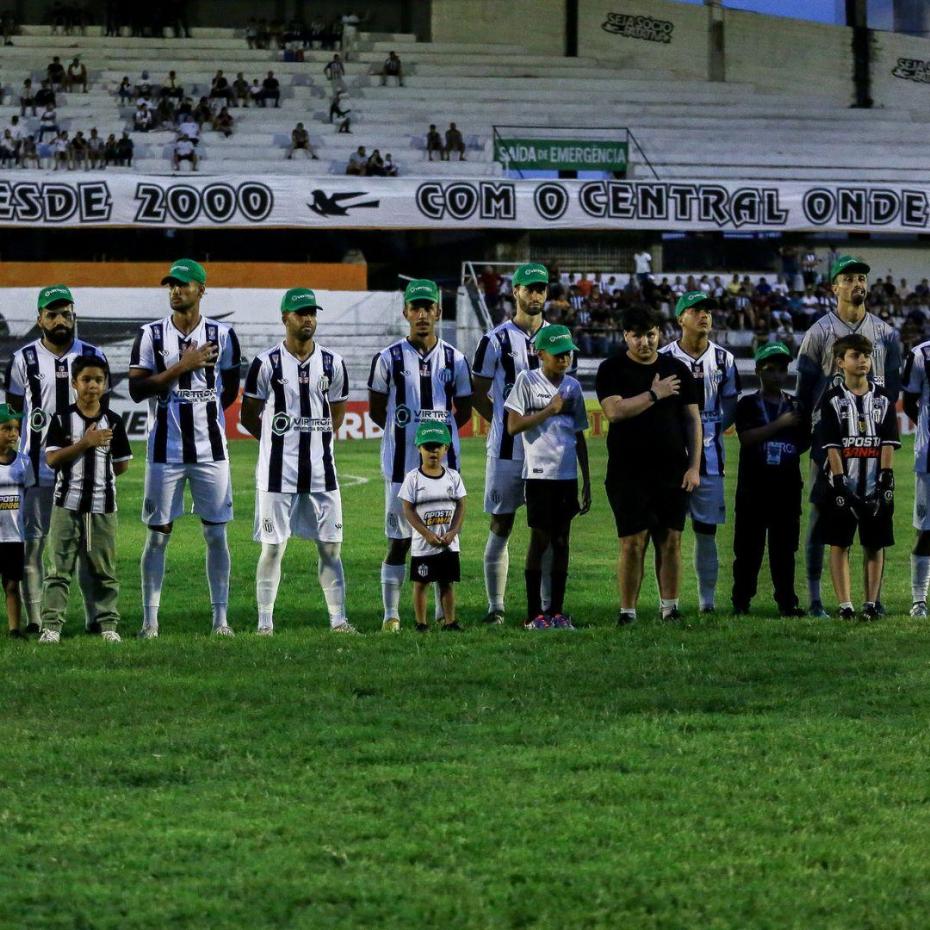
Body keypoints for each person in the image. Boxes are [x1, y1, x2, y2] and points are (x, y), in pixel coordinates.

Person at [128, 259, 241, 638]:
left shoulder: (224, 335)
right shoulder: (150, 335)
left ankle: (220, 619)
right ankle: (150, 622)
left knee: (215, 535)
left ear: (201, 290)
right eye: (171, 285)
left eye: (183, 284)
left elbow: (227, 389)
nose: (175, 290)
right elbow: (137, 389)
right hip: (164, 453)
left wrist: (201, 411)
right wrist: (182, 366)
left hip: (211, 452)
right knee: (157, 535)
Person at [240, 288, 356, 636]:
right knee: (273, 548)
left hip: (323, 473)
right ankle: (265, 623)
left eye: (312, 313)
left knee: (331, 548)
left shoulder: (333, 363)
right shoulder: (265, 364)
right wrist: (278, 445)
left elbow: (336, 416)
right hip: (277, 474)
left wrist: (312, 440)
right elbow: (249, 417)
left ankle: (338, 620)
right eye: (301, 313)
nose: (308, 319)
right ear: (285, 318)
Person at [797, 255, 902, 617]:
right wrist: (814, 438)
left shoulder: (887, 334)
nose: (858, 283)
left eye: (862, 277)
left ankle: (873, 599)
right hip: (829, 443)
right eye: (849, 278)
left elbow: (893, 389)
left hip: (872, 443)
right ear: (834, 287)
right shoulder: (818, 332)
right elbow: (804, 390)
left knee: (877, 515)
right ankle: (814, 597)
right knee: (820, 518)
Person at [367, 279, 472, 632]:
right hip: (400, 468)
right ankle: (391, 614)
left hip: (444, 470)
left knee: (444, 541)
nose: (423, 314)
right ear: (406, 313)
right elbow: (376, 410)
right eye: (416, 308)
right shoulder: (388, 358)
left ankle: (444, 614)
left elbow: (465, 410)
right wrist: (406, 434)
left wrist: (439, 439)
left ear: (438, 313)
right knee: (398, 540)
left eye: (429, 308)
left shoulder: (455, 359)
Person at [4, 285, 109, 634]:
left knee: (87, 547)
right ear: (40, 320)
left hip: (84, 472)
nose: (60, 320)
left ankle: (96, 619)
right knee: (34, 544)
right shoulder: (23, 360)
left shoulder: (94, 356)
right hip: (37, 470)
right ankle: (36, 620)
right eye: (52, 314)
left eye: (65, 313)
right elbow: (16, 414)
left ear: (74, 315)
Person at [595, 304, 702, 624]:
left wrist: (694, 467)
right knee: (632, 541)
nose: (645, 342)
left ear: (660, 334)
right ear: (626, 336)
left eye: (651, 335)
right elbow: (614, 412)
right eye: (638, 336)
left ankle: (669, 607)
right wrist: (655, 394)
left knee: (671, 540)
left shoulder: (677, 370)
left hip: (672, 470)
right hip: (627, 472)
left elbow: (693, 421)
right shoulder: (611, 369)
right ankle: (627, 611)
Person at [472, 262, 561, 625]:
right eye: (530, 288)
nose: (536, 294)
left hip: (548, 453)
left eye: (541, 288)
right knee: (501, 523)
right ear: (516, 293)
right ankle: (496, 607)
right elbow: (478, 392)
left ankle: (545, 606)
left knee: (547, 528)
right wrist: (504, 422)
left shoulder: (558, 337)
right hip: (507, 451)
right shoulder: (494, 340)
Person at [39, 356, 132, 644]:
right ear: (74, 383)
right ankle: (51, 626)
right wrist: (84, 444)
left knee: (103, 570)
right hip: (66, 504)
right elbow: (52, 459)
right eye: (86, 379)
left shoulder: (114, 421)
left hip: (102, 507)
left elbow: (121, 464)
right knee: (58, 569)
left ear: (105, 384)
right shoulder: (61, 419)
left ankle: (107, 625)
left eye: (98, 380)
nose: (92, 385)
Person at [504, 325, 590, 630]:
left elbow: (579, 436)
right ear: (540, 353)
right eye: (558, 353)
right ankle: (533, 614)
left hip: (566, 477)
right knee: (540, 540)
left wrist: (587, 481)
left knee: (562, 541)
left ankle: (556, 611)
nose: (565, 358)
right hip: (539, 476)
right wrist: (549, 411)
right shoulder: (527, 381)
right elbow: (513, 426)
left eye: (568, 353)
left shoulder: (574, 388)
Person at [658, 291, 739, 613]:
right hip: (671, 459)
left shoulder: (724, 359)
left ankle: (707, 603)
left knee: (706, 531)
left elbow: (730, 404)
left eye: (707, 311)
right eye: (695, 310)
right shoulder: (663, 358)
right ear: (680, 319)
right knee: (668, 533)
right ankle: (669, 604)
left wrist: (711, 432)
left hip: (711, 459)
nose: (704, 315)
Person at [815, 334, 899, 620]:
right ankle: (845, 605)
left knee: (875, 544)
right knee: (839, 544)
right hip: (842, 483)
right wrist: (840, 483)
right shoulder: (832, 400)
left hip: (875, 484)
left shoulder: (884, 399)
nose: (863, 360)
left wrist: (885, 480)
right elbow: (832, 446)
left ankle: (871, 603)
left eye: (866, 355)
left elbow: (888, 442)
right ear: (840, 362)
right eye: (855, 355)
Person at [731, 343, 809, 616]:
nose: (778, 375)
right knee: (748, 550)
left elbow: (803, 441)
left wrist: (785, 446)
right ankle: (741, 601)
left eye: (782, 369)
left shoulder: (796, 405)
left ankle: (787, 602)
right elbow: (746, 438)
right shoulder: (748, 404)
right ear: (758, 371)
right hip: (753, 488)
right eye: (771, 369)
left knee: (784, 550)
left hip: (786, 488)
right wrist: (779, 425)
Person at [399, 422, 466, 632]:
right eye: (428, 447)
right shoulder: (413, 478)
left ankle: (450, 621)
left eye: (438, 446)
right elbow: (408, 509)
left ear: (446, 448)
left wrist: (453, 531)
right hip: (424, 545)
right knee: (421, 583)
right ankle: (421, 623)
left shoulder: (453, 477)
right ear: (419, 448)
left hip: (448, 543)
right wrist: (426, 534)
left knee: (446, 583)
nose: (433, 451)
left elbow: (461, 504)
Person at [899, 333, 930, 617]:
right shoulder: (922, 354)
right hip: (929, 457)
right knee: (927, 530)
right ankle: (919, 600)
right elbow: (909, 401)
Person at [0, 404, 33, 638]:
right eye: (6, 428)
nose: (13, 433)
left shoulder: (23, 462)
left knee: (12, 585)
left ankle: (14, 629)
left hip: (14, 536)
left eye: (16, 428)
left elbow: (29, 497)